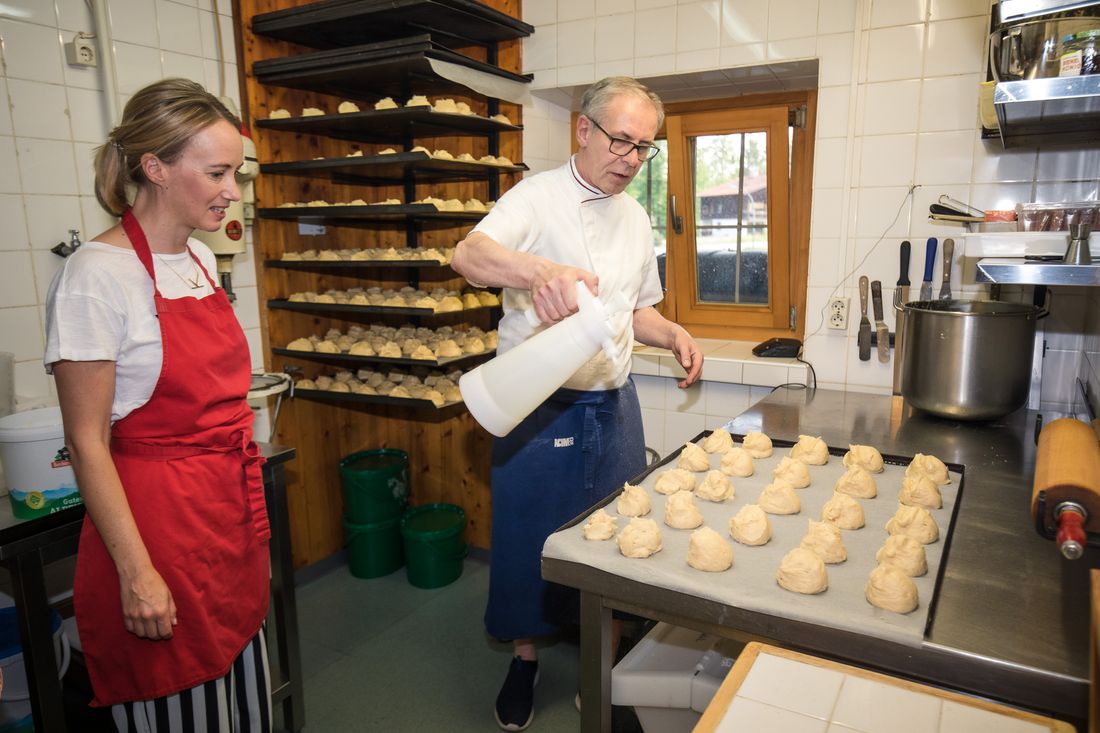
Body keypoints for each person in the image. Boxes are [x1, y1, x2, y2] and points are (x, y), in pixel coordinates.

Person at [451, 76, 703, 731]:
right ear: (583, 130)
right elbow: (469, 255)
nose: (629, 157)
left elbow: (633, 308)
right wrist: (539, 273)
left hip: (612, 402)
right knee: (529, 537)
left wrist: (672, 331)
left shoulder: (637, 216)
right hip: (539, 402)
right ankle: (525, 659)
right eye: (621, 139)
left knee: (618, 538)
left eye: (643, 147)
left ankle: (605, 671)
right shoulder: (535, 199)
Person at [44, 78, 272, 731]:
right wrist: (137, 572)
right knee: (182, 699)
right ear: (156, 168)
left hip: (224, 519)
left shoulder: (199, 257)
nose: (234, 190)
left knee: (239, 697)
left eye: (237, 172)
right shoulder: (95, 276)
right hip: (161, 532)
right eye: (218, 172)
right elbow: (87, 441)